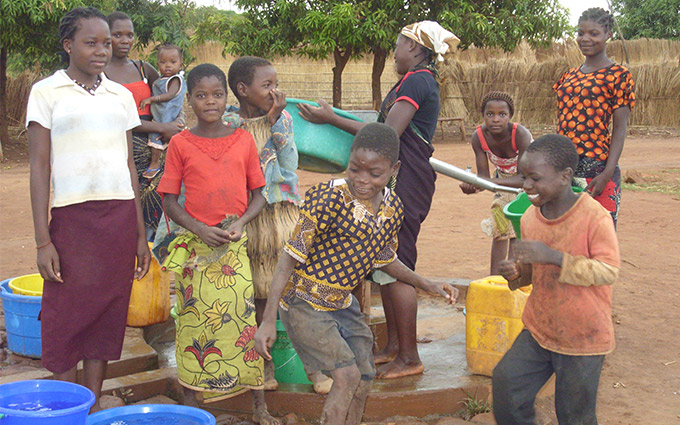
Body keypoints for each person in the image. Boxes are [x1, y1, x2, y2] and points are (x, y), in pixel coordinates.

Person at [254, 123, 458, 425]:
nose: (362, 180)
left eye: (374, 174)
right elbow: (288, 258)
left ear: (394, 169)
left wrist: (426, 283)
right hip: (304, 304)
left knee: (364, 377)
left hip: (342, 306)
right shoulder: (328, 198)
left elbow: (384, 259)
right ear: (348, 160)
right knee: (347, 376)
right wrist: (268, 320)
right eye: (355, 169)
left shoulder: (392, 207)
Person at [296, 20, 459, 379]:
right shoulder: (414, 80)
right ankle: (395, 348)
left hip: (407, 180)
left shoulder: (418, 80)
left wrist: (331, 118)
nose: (395, 51)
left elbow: (387, 134)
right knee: (383, 261)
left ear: (415, 48)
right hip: (403, 178)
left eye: (399, 44)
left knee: (397, 264)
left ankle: (410, 357)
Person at [26, 6, 150, 412]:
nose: (102, 50)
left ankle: (91, 406)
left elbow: (130, 164)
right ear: (68, 45)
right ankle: (67, 407)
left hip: (117, 216)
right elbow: (40, 166)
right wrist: (43, 240)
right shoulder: (47, 92)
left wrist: (139, 236)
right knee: (66, 314)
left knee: (108, 309)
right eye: (90, 42)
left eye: (106, 43)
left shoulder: (119, 95)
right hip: (72, 219)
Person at [157, 64, 278, 424]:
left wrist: (240, 222)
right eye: (201, 95)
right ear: (189, 100)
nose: (210, 101)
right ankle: (194, 402)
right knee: (193, 325)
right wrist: (198, 228)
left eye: (217, 94)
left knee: (244, 325)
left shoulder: (242, 140)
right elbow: (169, 201)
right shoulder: (180, 144)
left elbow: (259, 195)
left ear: (227, 97)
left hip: (235, 249)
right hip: (197, 251)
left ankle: (259, 405)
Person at [492, 134, 620, 425]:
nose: (526, 186)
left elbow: (608, 270)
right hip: (540, 328)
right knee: (507, 385)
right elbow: (529, 274)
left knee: (574, 415)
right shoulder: (529, 218)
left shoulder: (593, 217)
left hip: (583, 337)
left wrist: (554, 256)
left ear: (565, 177)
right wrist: (516, 273)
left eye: (535, 178)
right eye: (523, 177)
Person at [104, 11, 183, 239]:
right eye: (117, 34)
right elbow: (115, 119)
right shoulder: (100, 73)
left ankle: (150, 250)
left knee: (155, 202)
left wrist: (176, 123)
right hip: (123, 147)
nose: (125, 40)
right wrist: (162, 129)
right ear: (105, 35)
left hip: (154, 148)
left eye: (129, 35)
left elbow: (168, 99)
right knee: (126, 202)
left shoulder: (143, 68)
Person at [554, 7, 635, 226]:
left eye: (594, 33)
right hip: (564, 166)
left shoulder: (619, 75)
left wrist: (607, 172)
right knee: (567, 232)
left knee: (600, 234)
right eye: (581, 33)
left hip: (596, 166)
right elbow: (562, 121)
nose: (585, 39)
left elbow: (619, 128)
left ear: (608, 35)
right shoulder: (569, 75)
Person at [459, 91, 532, 275]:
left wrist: (485, 183)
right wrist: (473, 186)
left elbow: (523, 179)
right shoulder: (479, 137)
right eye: (490, 114)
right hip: (502, 179)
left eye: (502, 114)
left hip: (530, 181)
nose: (496, 119)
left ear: (510, 116)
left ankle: (514, 275)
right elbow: (484, 175)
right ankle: (496, 279)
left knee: (517, 223)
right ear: (483, 115)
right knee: (501, 223)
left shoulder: (520, 135)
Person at [139, 43, 187, 179]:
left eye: (173, 62)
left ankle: (155, 164)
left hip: (169, 118)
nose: (168, 66)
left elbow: (170, 95)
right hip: (161, 117)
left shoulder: (176, 79)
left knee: (157, 142)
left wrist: (152, 99)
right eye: (163, 62)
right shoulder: (161, 80)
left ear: (180, 65)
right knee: (159, 143)